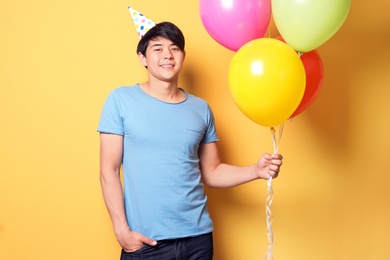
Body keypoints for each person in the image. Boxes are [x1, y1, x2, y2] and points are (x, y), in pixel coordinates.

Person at [97, 21, 283, 260]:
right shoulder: (120, 100)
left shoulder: (200, 109)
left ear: (183, 56)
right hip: (145, 243)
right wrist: (121, 230)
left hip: (198, 239)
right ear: (143, 57)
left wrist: (256, 171)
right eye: (158, 48)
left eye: (175, 48)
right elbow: (108, 171)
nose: (167, 55)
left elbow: (212, 172)